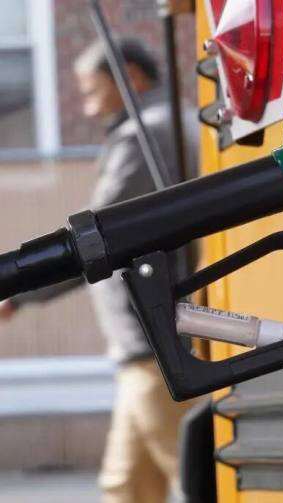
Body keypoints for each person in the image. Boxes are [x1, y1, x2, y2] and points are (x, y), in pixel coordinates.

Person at [0, 38, 198, 503]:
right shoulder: (165, 124)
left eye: (92, 90)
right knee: (126, 487)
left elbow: (98, 240)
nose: (88, 107)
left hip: (154, 345)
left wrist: (18, 290)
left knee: (199, 480)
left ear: (130, 75)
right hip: (144, 349)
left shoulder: (147, 134)